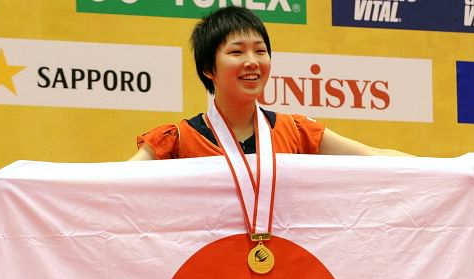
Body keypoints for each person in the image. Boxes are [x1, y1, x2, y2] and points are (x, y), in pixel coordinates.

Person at [129, 5, 409, 162]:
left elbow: (376, 157)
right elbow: (110, 185)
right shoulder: (177, 141)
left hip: (283, 263)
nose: (252, 61)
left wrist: (449, 172)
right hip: (204, 265)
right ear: (208, 69)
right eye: (237, 52)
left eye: (260, 51)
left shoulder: (296, 132)